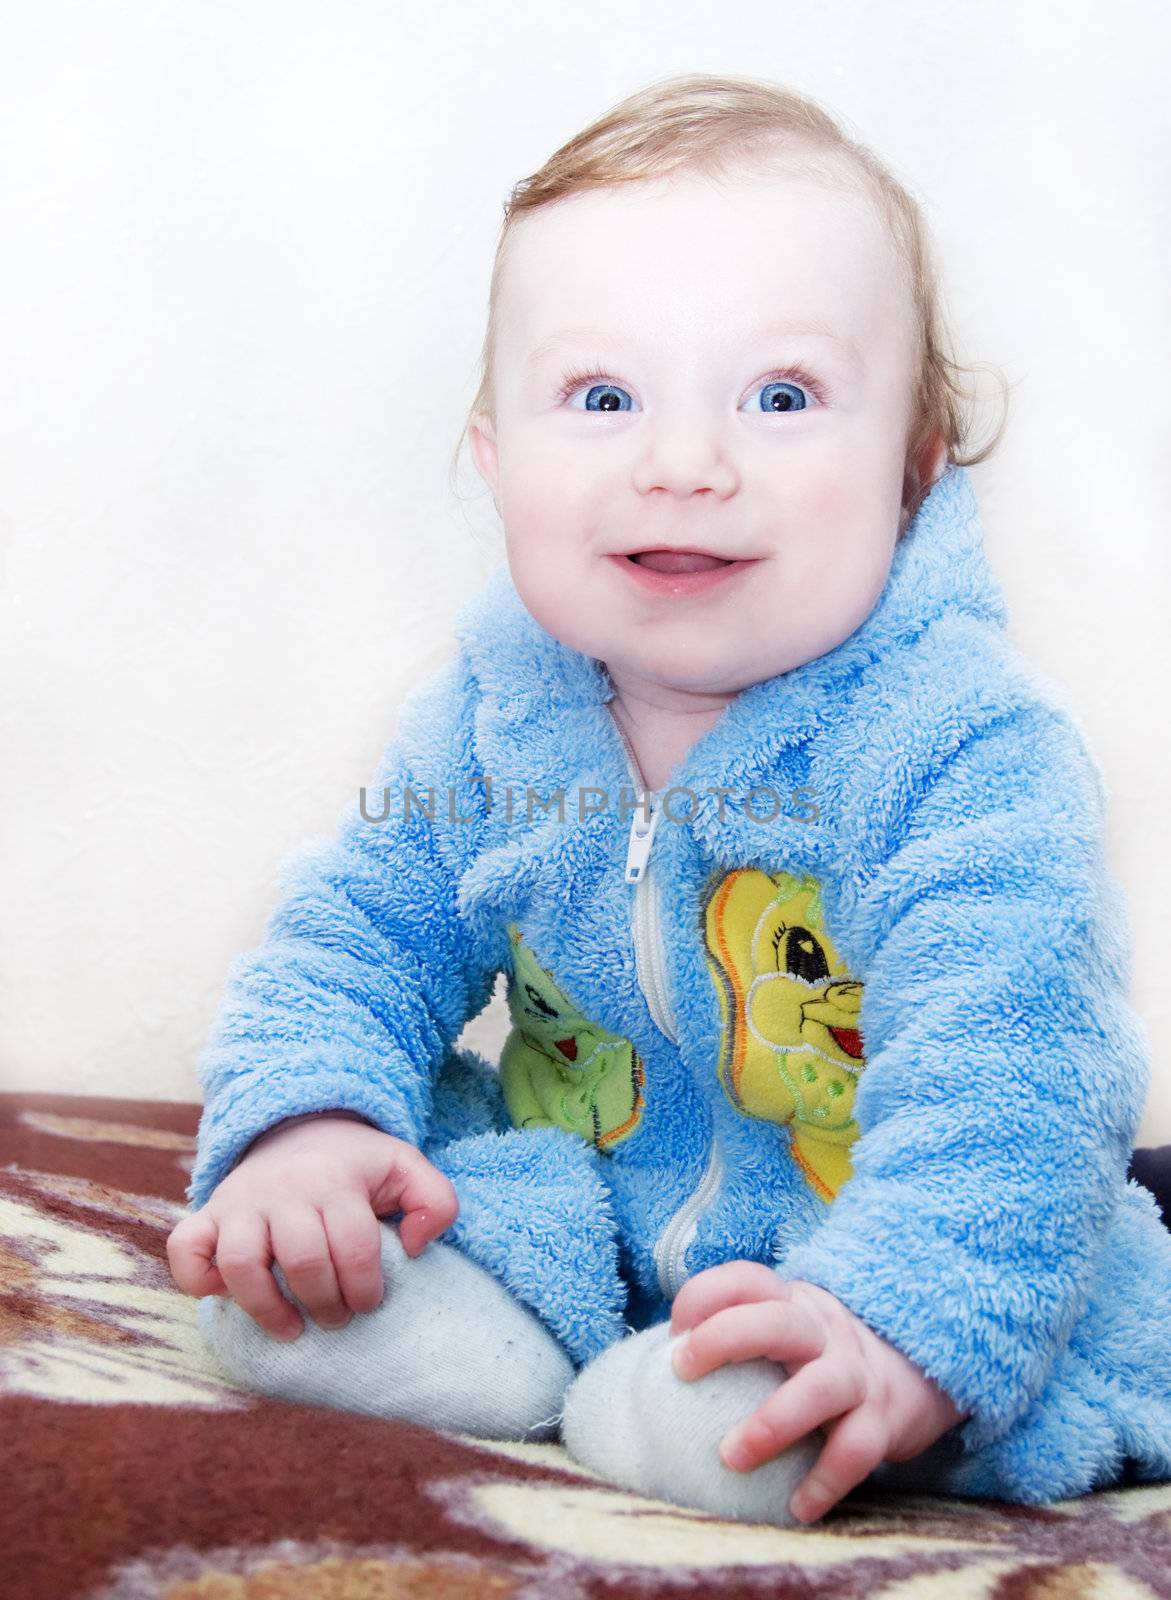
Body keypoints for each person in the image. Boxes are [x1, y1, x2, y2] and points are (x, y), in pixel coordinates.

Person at [167, 73, 1171, 1528]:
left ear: (908, 468)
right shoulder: (489, 715)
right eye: (603, 396)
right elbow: (354, 937)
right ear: (496, 458)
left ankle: (833, 1379)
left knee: (968, 1303)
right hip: (590, 1220)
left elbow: (1014, 1058)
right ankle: (494, 1324)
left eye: (779, 397)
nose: (685, 463)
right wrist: (303, 1130)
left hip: (867, 1246)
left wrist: (900, 1325)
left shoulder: (959, 742)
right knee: (351, 1232)